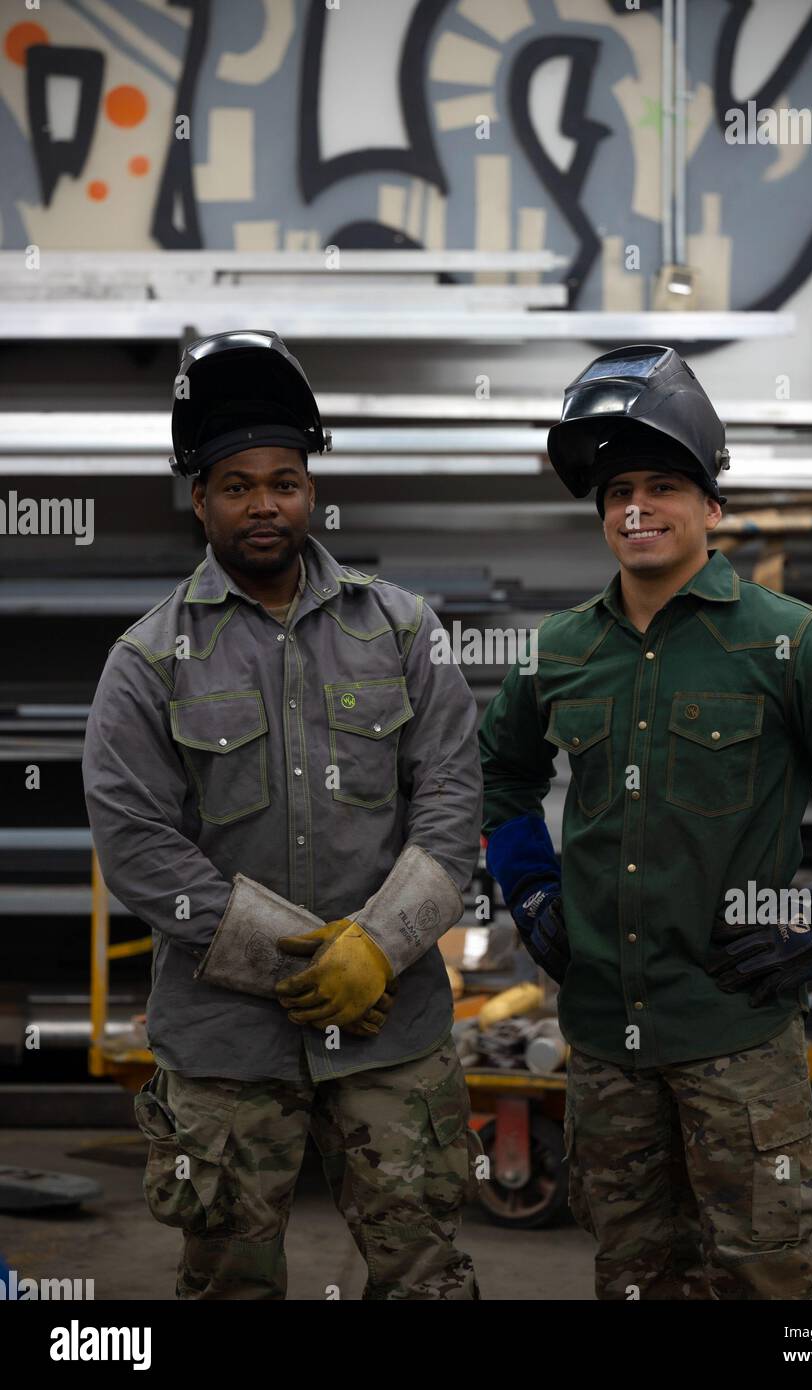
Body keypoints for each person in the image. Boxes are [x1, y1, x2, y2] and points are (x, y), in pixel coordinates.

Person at [479, 344, 812, 1300]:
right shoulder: (558, 652)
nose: (637, 507)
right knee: (634, 1273)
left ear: (711, 507)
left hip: (737, 1037)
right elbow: (498, 771)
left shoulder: (787, 641)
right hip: (605, 1039)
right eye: (618, 492)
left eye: (663, 485)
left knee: (764, 1274)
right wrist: (527, 884)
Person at [82, 330, 483, 1300]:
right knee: (228, 1280)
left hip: (392, 1032)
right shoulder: (148, 660)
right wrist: (308, 961)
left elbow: (452, 798)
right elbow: (137, 847)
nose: (265, 503)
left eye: (285, 480)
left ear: (311, 491)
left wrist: (379, 948)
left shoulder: (401, 630)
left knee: (425, 1274)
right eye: (237, 484)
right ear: (202, 501)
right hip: (225, 1045)